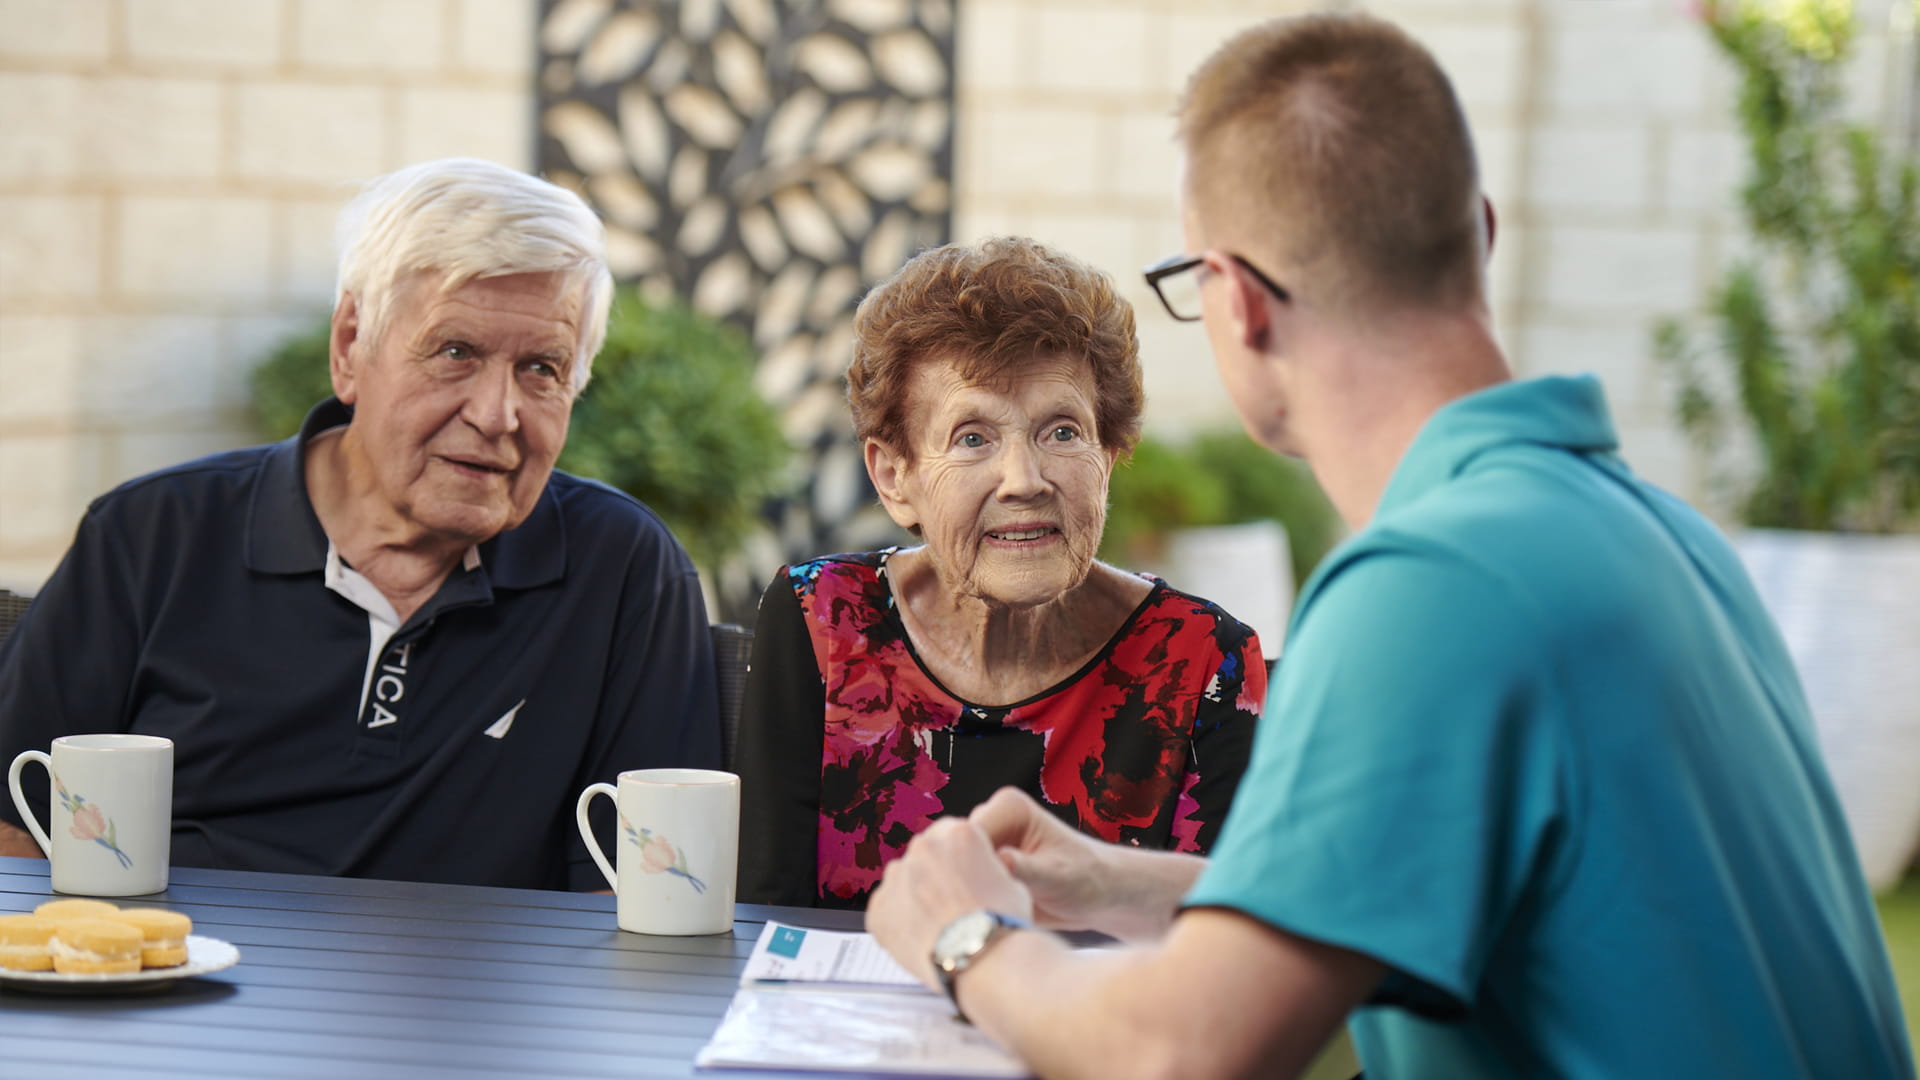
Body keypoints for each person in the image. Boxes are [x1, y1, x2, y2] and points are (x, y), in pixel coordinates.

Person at [864, 15, 1914, 1079]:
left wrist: (968, 937)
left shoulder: (1432, 589)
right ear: (1483, 235)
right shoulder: (1664, 537)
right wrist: (1113, 883)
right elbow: (1441, 902)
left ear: (1237, 301)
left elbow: (1179, 1054)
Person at [0, 158, 720, 892]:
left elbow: (647, 885)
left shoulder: (620, 566)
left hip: (480, 1003)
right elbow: (13, 819)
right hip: (175, 983)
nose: (496, 413)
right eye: (454, 352)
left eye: (541, 368)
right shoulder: (152, 536)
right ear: (350, 345)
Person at [735, 237, 1264, 908]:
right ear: (895, 477)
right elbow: (763, 913)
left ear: (1107, 456)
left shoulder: (1201, 660)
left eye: (1062, 432)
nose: (1024, 480)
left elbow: (1220, 951)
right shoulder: (822, 619)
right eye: (973, 438)